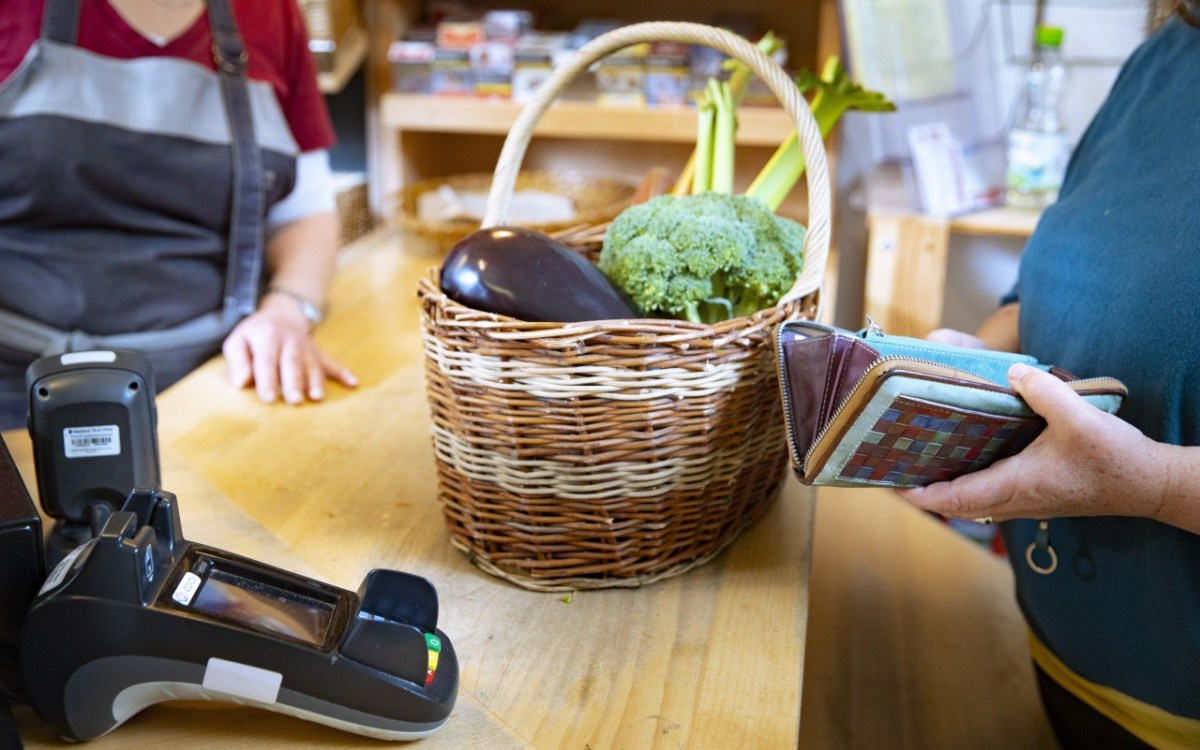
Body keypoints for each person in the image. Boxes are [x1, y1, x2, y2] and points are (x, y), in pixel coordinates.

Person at [898, 4, 1200, 747]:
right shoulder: (1164, 57)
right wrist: (968, 365)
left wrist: (1156, 484)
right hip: (1061, 657)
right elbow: (1046, 287)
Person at [0, 0, 358, 431]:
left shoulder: (270, 13)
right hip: (13, 393)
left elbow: (302, 210)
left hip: (212, 386)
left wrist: (287, 309)